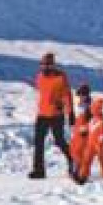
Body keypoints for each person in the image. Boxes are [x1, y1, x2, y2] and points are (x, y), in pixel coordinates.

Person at [29, 52, 75, 180]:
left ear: (53, 65)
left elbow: (67, 95)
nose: (44, 67)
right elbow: (41, 90)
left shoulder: (61, 77)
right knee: (38, 142)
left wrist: (70, 112)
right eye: (42, 65)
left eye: (47, 65)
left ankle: (73, 160)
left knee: (59, 141)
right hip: (42, 114)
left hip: (56, 115)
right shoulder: (40, 77)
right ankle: (39, 171)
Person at [75, 89, 103, 183]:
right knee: (86, 160)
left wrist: (101, 142)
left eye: (94, 109)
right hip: (90, 144)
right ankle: (83, 176)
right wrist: (82, 129)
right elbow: (87, 128)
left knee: (102, 160)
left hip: (99, 145)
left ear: (97, 110)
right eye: (92, 109)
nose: (92, 111)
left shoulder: (102, 122)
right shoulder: (92, 121)